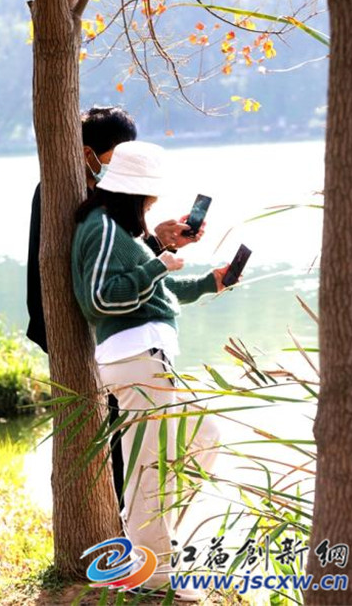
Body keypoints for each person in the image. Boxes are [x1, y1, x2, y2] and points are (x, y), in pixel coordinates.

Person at [71, 141, 231, 600]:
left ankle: (151, 543)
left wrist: (210, 282)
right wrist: (157, 264)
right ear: (135, 193)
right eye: (149, 198)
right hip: (137, 360)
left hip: (150, 359)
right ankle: (154, 574)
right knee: (151, 466)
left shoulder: (118, 231)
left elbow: (154, 292)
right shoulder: (102, 228)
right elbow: (100, 299)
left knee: (204, 438)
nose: (152, 204)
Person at [26, 106, 206, 509]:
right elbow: (81, 269)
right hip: (90, 332)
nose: (126, 165)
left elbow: (114, 262)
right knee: (124, 448)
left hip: (114, 329)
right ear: (87, 152)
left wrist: (157, 242)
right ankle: (133, 532)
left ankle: (134, 527)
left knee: (138, 445)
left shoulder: (107, 197)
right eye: (117, 156)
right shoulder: (61, 190)